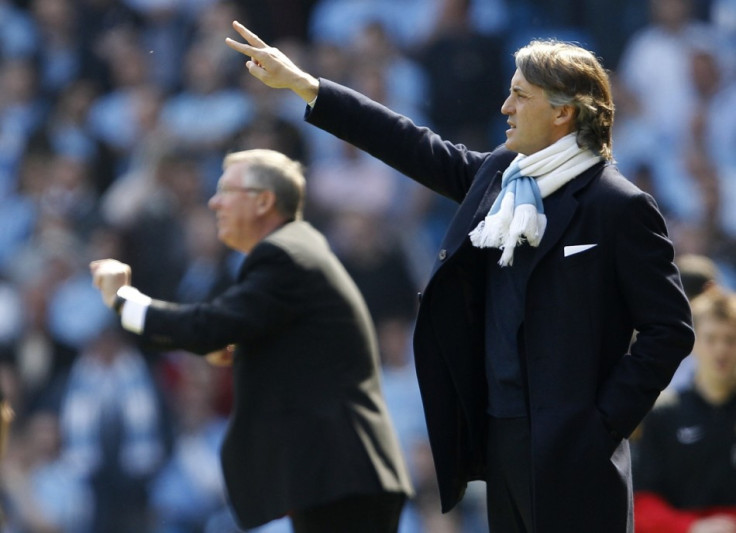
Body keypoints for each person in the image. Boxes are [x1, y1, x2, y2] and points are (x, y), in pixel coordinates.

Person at [225, 21, 695, 532]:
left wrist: (600, 425)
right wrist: (307, 86)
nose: (505, 108)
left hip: (576, 453)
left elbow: (668, 330)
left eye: (520, 95)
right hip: (501, 439)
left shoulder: (620, 206)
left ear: (563, 112)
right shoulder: (499, 177)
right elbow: (409, 144)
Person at [89, 148, 412, 532]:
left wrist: (125, 302)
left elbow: (211, 324)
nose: (214, 201)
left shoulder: (284, 256)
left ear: (263, 202)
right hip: (339, 476)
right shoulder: (299, 249)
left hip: (340, 476)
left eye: (227, 190)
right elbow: (288, 345)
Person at [633, 286, 736, 533]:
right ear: (694, 343)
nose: (721, 350)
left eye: (731, 339)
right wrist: (691, 527)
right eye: (711, 339)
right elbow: (640, 503)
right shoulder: (662, 413)